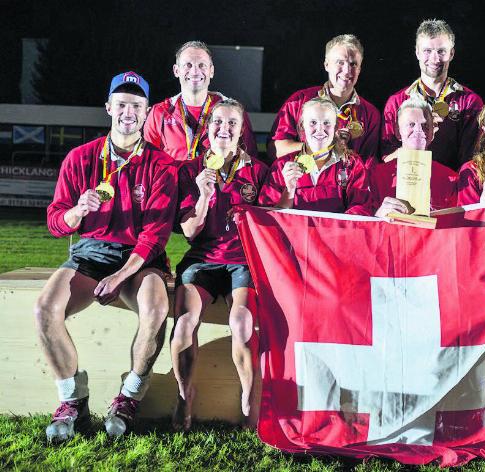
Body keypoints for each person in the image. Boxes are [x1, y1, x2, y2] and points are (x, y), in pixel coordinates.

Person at [36, 72, 178, 442]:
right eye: (121, 103)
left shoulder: (161, 165)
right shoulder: (80, 157)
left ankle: (128, 397)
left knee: (156, 308)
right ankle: (73, 401)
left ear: (146, 112)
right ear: (108, 107)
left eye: (136, 105)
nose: (128, 111)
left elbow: (155, 235)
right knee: (45, 309)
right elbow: (56, 222)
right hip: (91, 251)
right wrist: (76, 213)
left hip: (139, 258)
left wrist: (119, 277)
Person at [170, 99, 268, 431]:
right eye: (218, 123)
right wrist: (202, 196)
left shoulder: (258, 171)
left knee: (241, 323)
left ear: (242, 132)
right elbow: (188, 231)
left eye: (232, 124)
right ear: (207, 128)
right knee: (183, 325)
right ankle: (185, 395)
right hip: (202, 261)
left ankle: (248, 398)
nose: (224, 129)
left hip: (242, 261)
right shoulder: (189, 170)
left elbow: (271, 221)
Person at [382, 19, 483, 171]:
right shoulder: (397, 102)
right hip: (406, 186)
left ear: (452, 53)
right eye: (427, 51)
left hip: (451, 188)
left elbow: (472, 161)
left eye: (441, 51)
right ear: (417, 52)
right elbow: (386, 159)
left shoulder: (469, 102)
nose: (434, 59)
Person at [268, 34, 381, 166]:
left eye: (353, 64)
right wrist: (320, 147)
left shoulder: (370, 113)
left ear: (360, 69)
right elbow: (275, 150)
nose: (347, 71)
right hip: (303, 184)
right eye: (340, 62)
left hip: (346, 185)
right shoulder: (299, 101)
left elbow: (369, 165)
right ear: (327, 65)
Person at [144, 40, 258, 162]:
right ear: (176, 71)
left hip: (219, 181)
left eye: (201, 65)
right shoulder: (160, 113)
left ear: (212, 71)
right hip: (172, 181)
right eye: (188, 65)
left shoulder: (234, 112)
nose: (194, 71)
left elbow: (249, 161)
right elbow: (148, 163)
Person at [259, 97, 371, 215]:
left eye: (327, 123)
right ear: (303, 126)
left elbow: (361, 210)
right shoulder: (282, 166)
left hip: (337, 233)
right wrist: (289, 190)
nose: (320, 129)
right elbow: (267, 218)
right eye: (313, 122)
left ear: (335, 127)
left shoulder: (351, 164)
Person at [372, 96, 458, 217]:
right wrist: (378, 215)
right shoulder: (377, 176)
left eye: (425, 125)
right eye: (411, 124)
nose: (419, 130)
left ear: (433, 132)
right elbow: (364, 226)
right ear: (397, 131)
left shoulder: (450, 178)